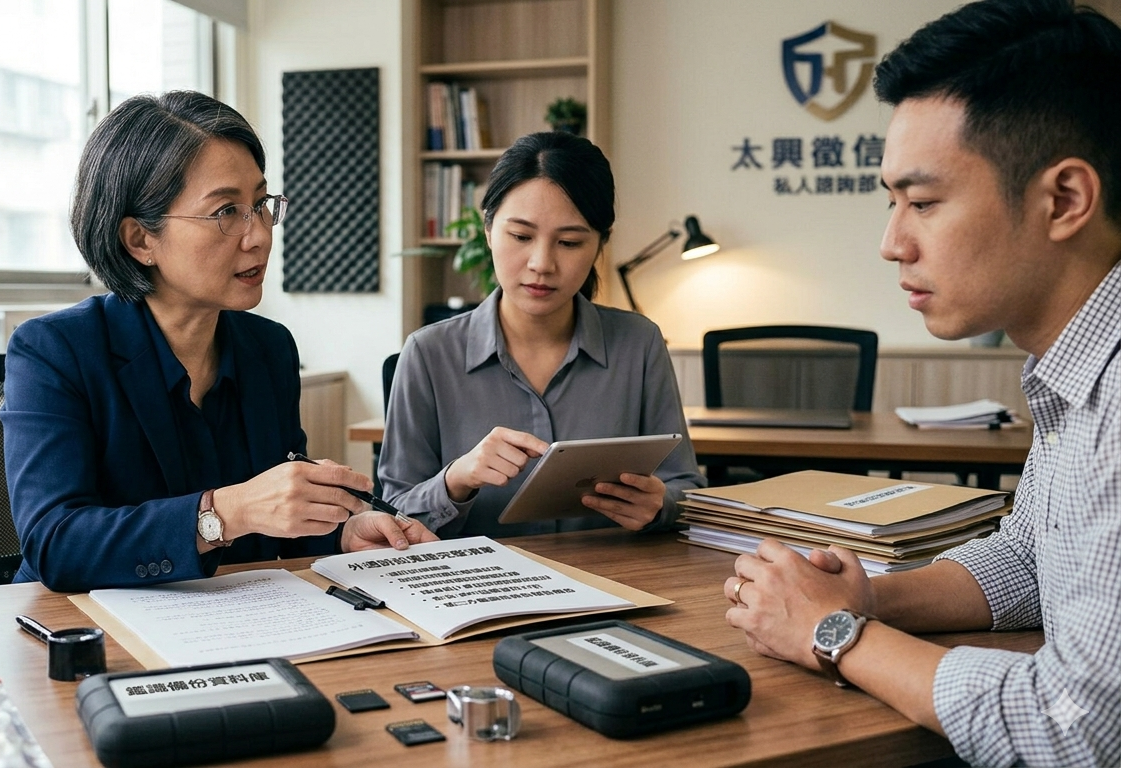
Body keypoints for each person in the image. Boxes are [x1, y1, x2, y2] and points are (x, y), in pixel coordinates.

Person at [723, 1, 1121, 764]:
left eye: (924, 202)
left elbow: (1076, 730)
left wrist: (834, 634)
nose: (891, 242)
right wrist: (865, 596)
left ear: (1064, 200)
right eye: (891, 201)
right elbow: (1032, 560)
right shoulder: (1072, 364)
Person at [1, 91, 436, 593]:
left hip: (231, 623)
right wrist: (224, 512)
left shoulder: (268, 349)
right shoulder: (55, 351)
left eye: (260, 204)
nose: (259, 236)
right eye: (227, 211)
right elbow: (56, 543)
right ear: (141, 239)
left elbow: (279, 527)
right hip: (87, 630)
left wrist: (342, 534)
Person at [379, 131, 706, 539]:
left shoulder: (638, 344)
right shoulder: (428, 353)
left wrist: (660, 504)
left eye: (569, 242)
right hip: (478, 591)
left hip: (614, 586)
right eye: (520, 236)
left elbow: (686, 489)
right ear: (488, 230)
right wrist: (457, 478)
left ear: (600, 244)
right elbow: (392, 517)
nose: (541, 263)